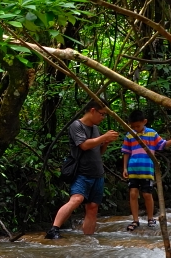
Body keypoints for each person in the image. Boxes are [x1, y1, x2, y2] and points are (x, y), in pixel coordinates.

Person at [46, 102, 118, 239]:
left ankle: (88, 238)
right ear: (92, 110)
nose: (103, 117)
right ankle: (54, 229)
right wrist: (103, 137)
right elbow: (84, 145)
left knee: (92, 207)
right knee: (77, 199)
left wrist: (105, 143)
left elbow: (98, 151)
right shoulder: (76, 125)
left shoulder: (95, 128)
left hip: (98, 173)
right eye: (102, 114)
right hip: (82, 172)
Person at [120, 109, 171, 231]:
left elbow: (163, 144)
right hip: (133, 169)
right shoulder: (129, 135)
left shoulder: (152, 134)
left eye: (138, 126)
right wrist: (125, 168)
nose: (136, 128)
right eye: (134, 126)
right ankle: (135, 220)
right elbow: (126, 153)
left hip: (147, 170)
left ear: (144, 122)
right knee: (133, 194)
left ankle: (150, 218)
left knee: (147, 194)